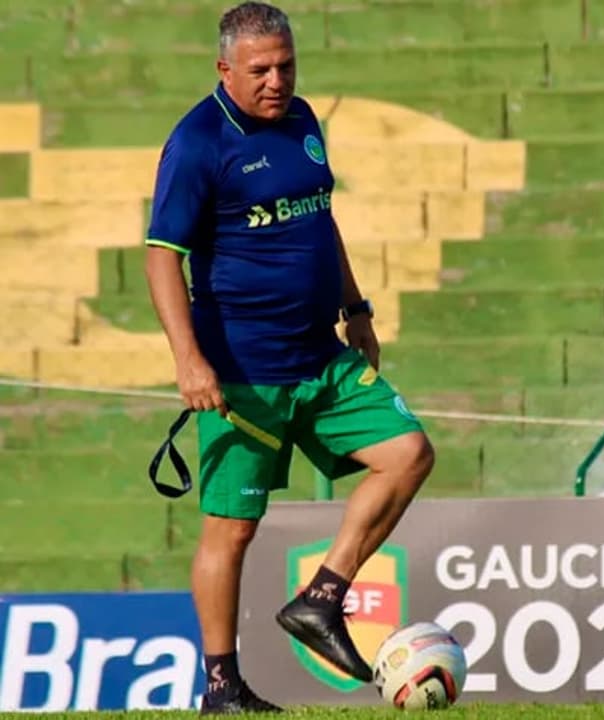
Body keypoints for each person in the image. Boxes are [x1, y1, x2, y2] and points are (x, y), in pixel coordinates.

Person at [144, 2, 435, 713]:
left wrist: (356, 306)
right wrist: (189, 361)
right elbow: (161, 258)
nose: (277, 80)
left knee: (409, 454)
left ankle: (322, 598)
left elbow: (319, 216)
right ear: (225, 70)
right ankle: (221, 689)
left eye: (286, 65)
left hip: (322, 356)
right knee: (232, 528)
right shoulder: (198, 142)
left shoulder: (303, 121)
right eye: (261, 69)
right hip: (242, 370)